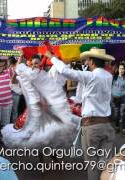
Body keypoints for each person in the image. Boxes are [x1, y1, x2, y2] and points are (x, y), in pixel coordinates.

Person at [45, 47, 116, 180]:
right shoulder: (108, 76)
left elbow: (65, 71)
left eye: (88, 60)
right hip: (107, 125)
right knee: (105, 164)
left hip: (92, 127)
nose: (86, 63)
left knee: (92, 165)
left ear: (92, 62)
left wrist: (51, 57)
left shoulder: (90, 76)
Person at [1, 54, 79, 149]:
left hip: (48, 110)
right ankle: (43, 162)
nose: (34, 66)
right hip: (35, 112)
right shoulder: (27, 77)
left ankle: (55, 161)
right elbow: (14, 84)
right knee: (37, 139)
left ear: (40, 64)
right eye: (32, 64)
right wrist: (19, 66)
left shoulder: (45, 77)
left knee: (53, 137)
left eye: (36, 63)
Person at [111, 64, 125, 135]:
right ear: (118, 69)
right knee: (116, 114)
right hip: (115, 98)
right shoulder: (114, 77)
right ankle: (117, 127)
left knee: (123, 113)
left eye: (123, 69)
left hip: (123, 98)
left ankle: (124, 128)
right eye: (120, 68)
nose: (121, 70)